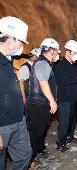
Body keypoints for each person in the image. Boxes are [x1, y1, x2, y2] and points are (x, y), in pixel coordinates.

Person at [0, 16, 32, 170]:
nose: (22, 46)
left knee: (25, 154)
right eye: (21, 42)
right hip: (2, 126)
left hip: (18, 121)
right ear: (11, 39)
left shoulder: (8, 60)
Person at [27, 38, 60, 169]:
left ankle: (39, 151)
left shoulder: (44, 62)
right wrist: (52, 101)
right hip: (38, 104)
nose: (58, 53)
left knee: (41, 130)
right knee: (36, 132)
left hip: (40, 103)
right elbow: (43, 83)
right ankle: (29, 161)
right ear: (51, 50)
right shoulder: (42, 63)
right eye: (57, 50)